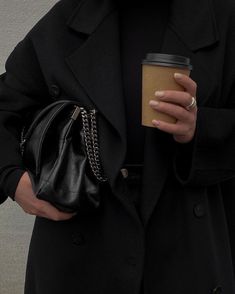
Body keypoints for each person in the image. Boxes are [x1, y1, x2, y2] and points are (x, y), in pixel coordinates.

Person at [0, 0, 235, 293]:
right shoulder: (70, 15)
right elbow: (5, 106)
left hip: (187, 246)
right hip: (80, 243)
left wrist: (200, 128)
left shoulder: (221, 16)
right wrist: (12, 179)